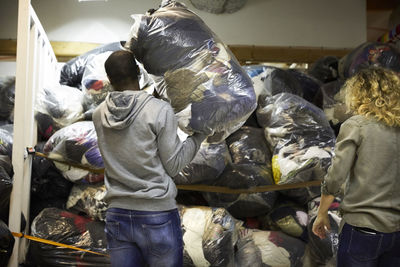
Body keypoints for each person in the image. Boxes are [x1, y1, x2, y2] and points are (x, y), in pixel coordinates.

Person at [92, 50, 207, 267]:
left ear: (109, 80)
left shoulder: (99, 114)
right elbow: (173, 166)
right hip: (156, 215)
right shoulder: (159, 110)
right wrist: (200, 136)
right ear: (138, 72)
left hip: (117, 214)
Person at [312, 67, 400, 266]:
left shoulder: (357, 125)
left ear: (359, 94)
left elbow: (336, 177)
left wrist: (322, 213)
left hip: (363, 229)